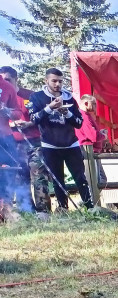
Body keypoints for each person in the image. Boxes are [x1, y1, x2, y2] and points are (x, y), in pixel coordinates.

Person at [27, 68, 93, 210]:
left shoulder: (69, 97)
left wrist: (67, 113)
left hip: (71, 144)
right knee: (58, 181)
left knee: (80, 178)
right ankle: (63, 209)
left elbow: (79, 123)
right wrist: (50, 108)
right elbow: (33, 119)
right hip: (50, 145)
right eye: (54, 81)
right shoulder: (37, 97)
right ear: (46, 81)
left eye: (60, 81)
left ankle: (90, 207)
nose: (57, 84)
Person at [1, 66, 48, 213]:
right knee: (19, 177)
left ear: (16, 79)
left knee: (39, 174)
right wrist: (11, 123)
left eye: (7, 79)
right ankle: (25, 210)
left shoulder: (30, 95)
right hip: (13, 142)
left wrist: (29, 123)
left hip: (33, 141)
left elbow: (40, 117)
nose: (3, 81)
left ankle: (43, 210)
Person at [0, 70, 27, 218]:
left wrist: (6, 111)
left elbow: (17, 112)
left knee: (8, 173)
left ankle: (6, 211)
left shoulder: (6, 86)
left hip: (4, 137)